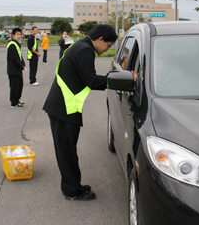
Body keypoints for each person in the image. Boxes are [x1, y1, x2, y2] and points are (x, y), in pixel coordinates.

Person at [43, 24, 133, 201]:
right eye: (107, 45)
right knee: (67, 152)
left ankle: (73, 185)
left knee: (67, 150)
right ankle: (72, 191)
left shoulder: (80, 46)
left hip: (63, 107)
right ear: (100, 40)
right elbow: (91, 81)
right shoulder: (85, 50)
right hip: (64, 109)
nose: (107, 48)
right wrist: (120, 81)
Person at [7, 28, 26, 108]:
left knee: (19, 85)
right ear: (13, 35)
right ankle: (13, 102)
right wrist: (21, 66)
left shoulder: (16, 44)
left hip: (17, 70)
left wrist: (23, 64)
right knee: (14, 86)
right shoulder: (11, 44)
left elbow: (19, 56)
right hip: (13, 70)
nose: (19, 36)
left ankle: (17, 100)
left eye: (20, 34)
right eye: (17, 34)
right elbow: (14, 58)